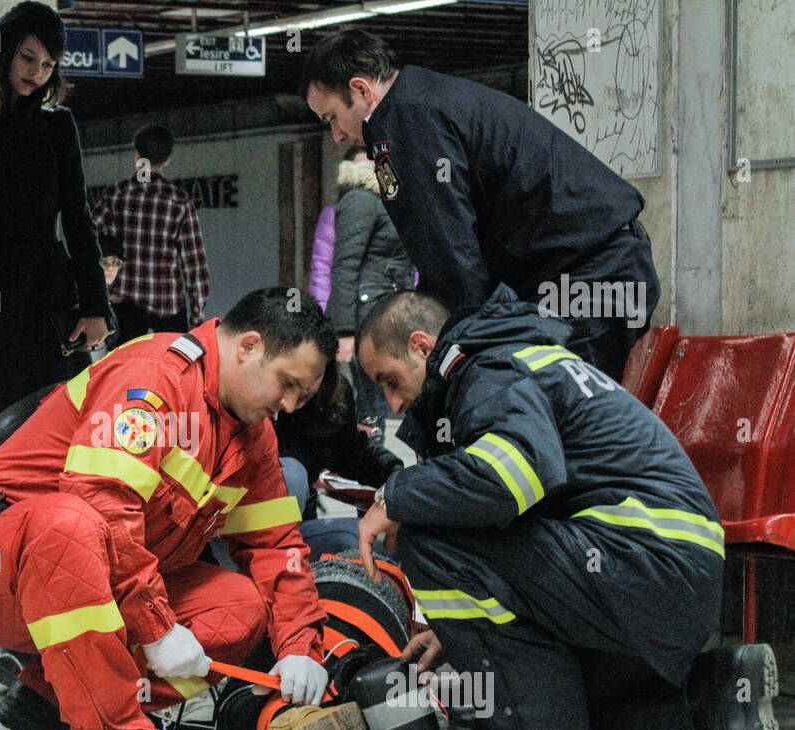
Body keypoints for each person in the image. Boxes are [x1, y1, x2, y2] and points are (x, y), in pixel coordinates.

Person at [354, 288, 777, 730]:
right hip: (669, 575)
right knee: (547, 720)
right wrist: (463, 628)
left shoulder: (488, 368)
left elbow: (514, 475)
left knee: (427, 536)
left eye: (389, 382)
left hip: (639, 560)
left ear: (423, 347)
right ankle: (719, 695)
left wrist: (393, 496)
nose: (393, 404)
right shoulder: (521, 356)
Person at [0, 289, 337, 730]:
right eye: (287, 384)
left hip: (88, 583)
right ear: (247, 347)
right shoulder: (154, 379)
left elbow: (276, 545)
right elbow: (104, 508)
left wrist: (300, 648)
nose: (287, 406)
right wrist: (157, 629)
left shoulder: (252, 436)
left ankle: (50, 702)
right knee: (71, 522)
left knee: (239, 608)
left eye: (302, 397)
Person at [302, 28, 658, 381]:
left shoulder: (410, 122)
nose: (335, 136)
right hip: (586, 267)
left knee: (557, 413)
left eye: (331, 117)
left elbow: (451, 259)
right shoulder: (421, 103)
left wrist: (449, 358)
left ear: (360, 90)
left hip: (589, 274)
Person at [0, 2, 111, 443]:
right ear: (5, 51)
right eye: (28, 58)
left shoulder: (57, 126)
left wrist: (95, 304)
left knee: (52, 433)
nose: (37, 72)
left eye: (48, 64)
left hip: (46, 298)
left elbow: (77, 217)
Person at [90, 124, 209, 341]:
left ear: (137, 155)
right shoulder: (180, 201)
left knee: (126, 368)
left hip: (125, 303)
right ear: (167, 159)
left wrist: (103, 291)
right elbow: (195, 266)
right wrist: (197, 318)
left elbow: (88, 242)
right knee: (171, 368)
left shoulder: (116, 196)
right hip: (168, 304)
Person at [325, 149, 412, 436]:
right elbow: (345, 266)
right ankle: (365, 473)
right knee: (368, 406)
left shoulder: (389, 202)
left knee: (379, 401)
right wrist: (344, 331)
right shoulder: (361, 200)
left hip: (386, 311)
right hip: (366, 315)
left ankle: (376, 469)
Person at [275, 371, 402, 561]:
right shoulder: (249, 396)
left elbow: (350, 452)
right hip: (240, 539)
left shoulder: (331, 394)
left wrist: (398, 479)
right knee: (292, 474)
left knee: (376, 547)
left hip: (295, 532)